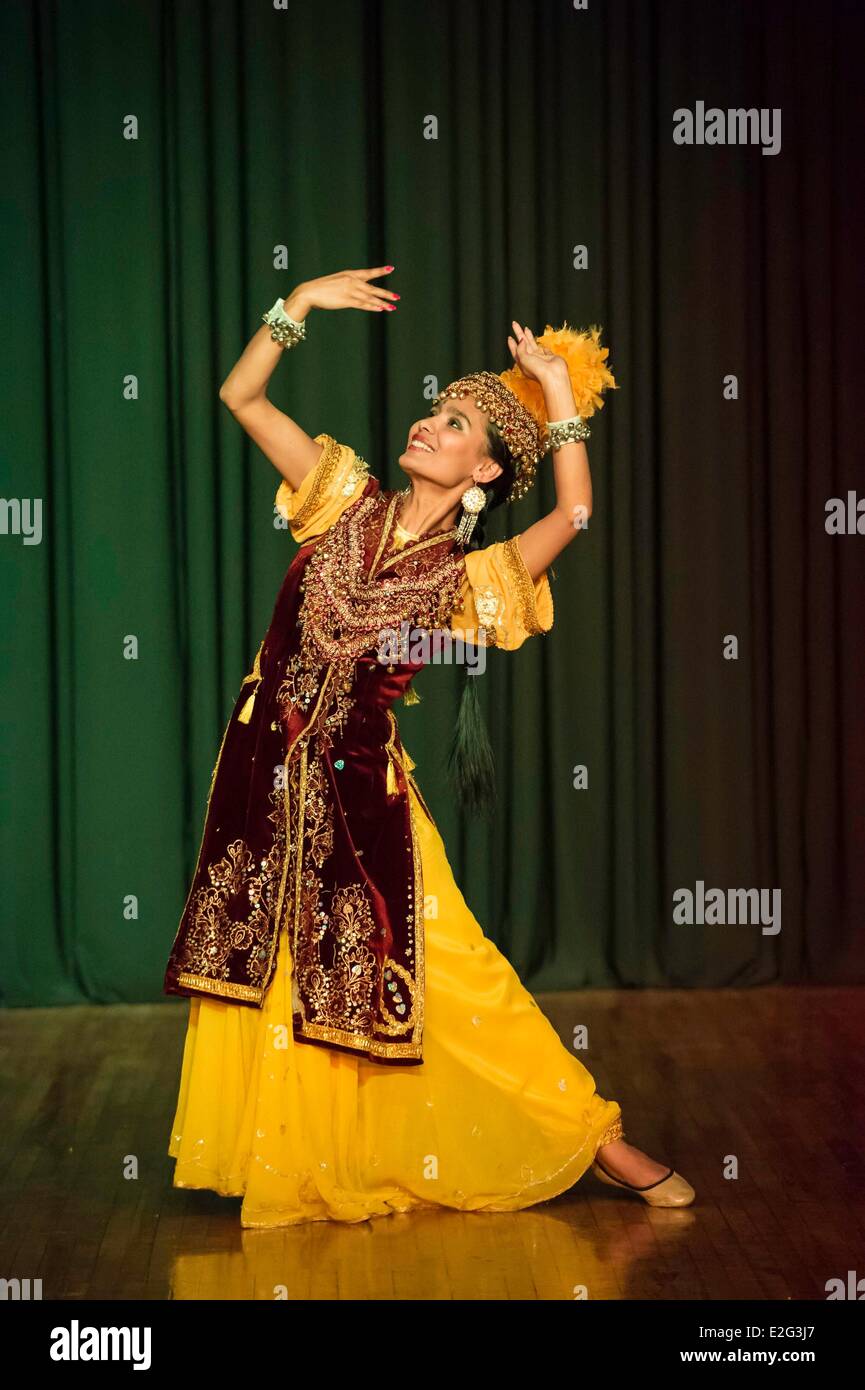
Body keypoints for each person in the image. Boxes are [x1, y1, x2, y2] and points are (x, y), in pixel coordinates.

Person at [164, 266, 695, 1227]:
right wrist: (300, 306)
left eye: (456, 426)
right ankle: (292, 1158)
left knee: (453, 974)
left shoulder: (468, 580)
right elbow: (242, 393)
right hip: (258, 782)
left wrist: (559, 390)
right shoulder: (336, 496)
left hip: (363, 803)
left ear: (485, 471)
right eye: (433, 412)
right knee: (269, 974)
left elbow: (573, 514)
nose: (429, 425)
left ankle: (594, 1137)